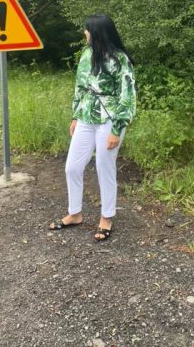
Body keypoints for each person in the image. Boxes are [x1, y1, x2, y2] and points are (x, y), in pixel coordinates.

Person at [49, 14, 136, 241]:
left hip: (110, 119)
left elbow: (127, 96)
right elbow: (80, 86)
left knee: (103, 166)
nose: (84, 33)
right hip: (86, 116)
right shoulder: (87, 54)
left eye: (87, 29)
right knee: (72, 167)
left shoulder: (120, 59)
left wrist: (117, 128)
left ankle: (106, 217)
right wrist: (75, 115)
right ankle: (75, 213)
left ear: (97, 32)